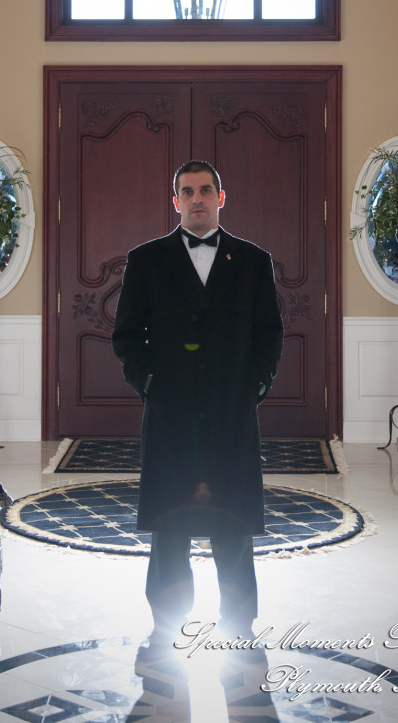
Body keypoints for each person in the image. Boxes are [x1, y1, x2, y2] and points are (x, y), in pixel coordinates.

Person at [112, 159, 284, 646]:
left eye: (206, 190)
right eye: (188, 192)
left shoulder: (253, 262)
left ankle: (239, 623)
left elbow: (269, 334)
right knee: (171, 525)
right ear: (176, 202)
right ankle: (168, 622)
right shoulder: (146, 260)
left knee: (234, 523)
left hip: (232, 410)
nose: (197, 199)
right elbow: (126, 336)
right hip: (170, 413)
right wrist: (149, 381)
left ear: (221, 197)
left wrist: (255, 385)